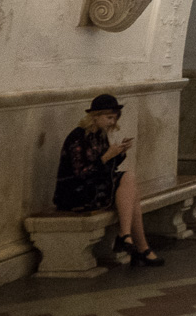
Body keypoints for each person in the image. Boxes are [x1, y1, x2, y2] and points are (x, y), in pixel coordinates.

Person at [53, 94, 164, 266]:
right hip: (76, 193)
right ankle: (138, 245)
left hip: (94, 187)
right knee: (130, 186)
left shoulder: (100, 135)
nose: (112, 122)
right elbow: (81, 174)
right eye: (109, 117)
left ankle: (130, 239)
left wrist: (119, 154)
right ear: (95, 116)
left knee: (130, 184)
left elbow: (106, 169)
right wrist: (106, 156)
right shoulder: (78, 137)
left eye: (114, 118)